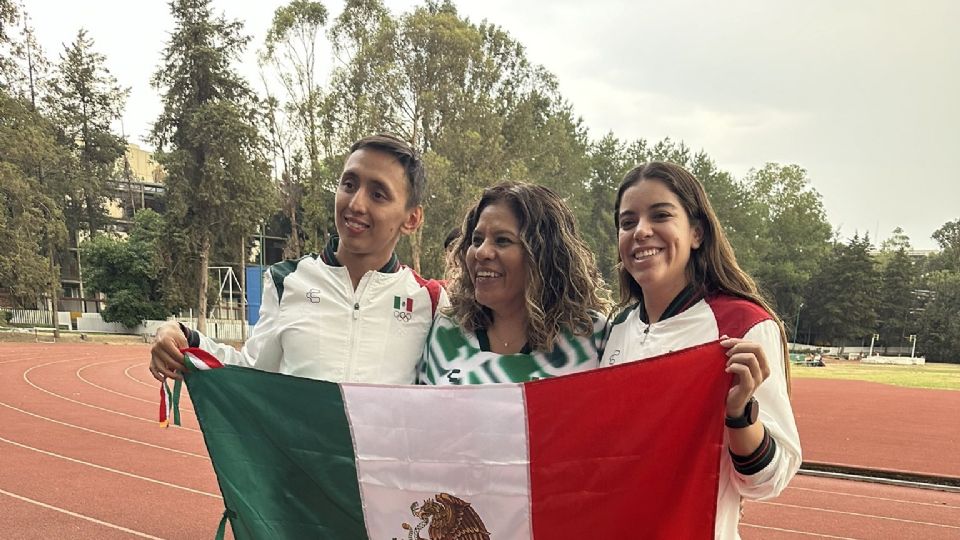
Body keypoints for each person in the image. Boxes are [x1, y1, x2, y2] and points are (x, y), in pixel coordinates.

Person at [601, 162, 801, 539]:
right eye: (627, 223)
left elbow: (768, 481)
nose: (641, 231)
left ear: (696, 232)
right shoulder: (617, 329)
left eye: (660, 215)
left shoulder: (743, 324)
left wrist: (740, 415)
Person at [150, 133, 445, 384]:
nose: (355, 204)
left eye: (378, 194)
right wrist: (186, 338)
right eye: (349, 184)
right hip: (298, 454)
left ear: (412, 219)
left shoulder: (429, 301)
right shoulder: (286, 281)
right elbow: (253, 372)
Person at [420, 182, 610, 385]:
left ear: (544, 256)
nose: (482, 252)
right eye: (476, 240)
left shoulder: (590, 336)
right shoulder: (445, 330)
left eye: (502, 240)